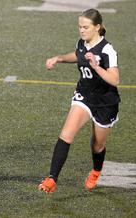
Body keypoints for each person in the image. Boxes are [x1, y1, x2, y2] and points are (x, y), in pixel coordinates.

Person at [38, 8, 120, 193]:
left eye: (85, 27)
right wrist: (59, 58)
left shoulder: (108, 50)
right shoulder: (82, 43)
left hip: (105, 102)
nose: (82, 30)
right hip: (84, 96)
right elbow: (77, 55)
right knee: (66, 134)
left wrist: (96, 66)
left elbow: (115, 80)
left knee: (97, 145)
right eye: (79, 27)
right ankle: (52, 179)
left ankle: (96, 170)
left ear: (97, 27)